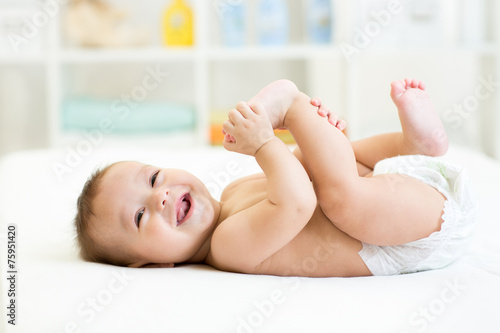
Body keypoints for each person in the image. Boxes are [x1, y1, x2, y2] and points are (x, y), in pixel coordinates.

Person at [74, 78, 478, 277]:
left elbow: (300, 169)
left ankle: (413, 145)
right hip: (406, 238)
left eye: (154, 178)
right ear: (153, 265)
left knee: (343, 163)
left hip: (395, 190)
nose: (159, 198)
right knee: (343, 201)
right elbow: (298, 203)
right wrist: (270, 140)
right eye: (140, 217)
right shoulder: (226, 247)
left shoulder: (233, 191)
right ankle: (291, 102)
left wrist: (318, 140)